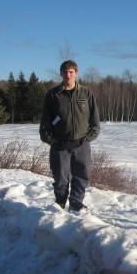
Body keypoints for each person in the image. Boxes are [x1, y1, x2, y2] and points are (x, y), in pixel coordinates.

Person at [40, 60, 100, 211]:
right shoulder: (53, 94)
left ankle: (76, 202)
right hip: (60, 144)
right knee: (60, 177)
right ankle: (60, 202)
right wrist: (50, 139)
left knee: (82, 176)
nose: (68, 75)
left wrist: (89, 137)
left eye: (71, 72)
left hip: (82, 143)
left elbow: (95, 119)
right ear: (61, 74)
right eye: (65, 72)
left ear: (76, 73)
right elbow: (45, 120)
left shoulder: (86, 93)